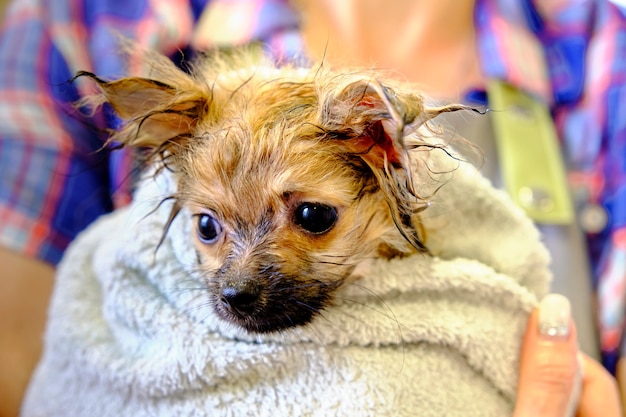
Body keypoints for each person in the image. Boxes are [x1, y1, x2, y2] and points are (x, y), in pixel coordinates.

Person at [0, 0, 623, 415]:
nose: (239, 277)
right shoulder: (83, 14)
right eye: (210, 228)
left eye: (310, 218)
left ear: (382, 148)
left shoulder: (599, 37)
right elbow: (17, 360)